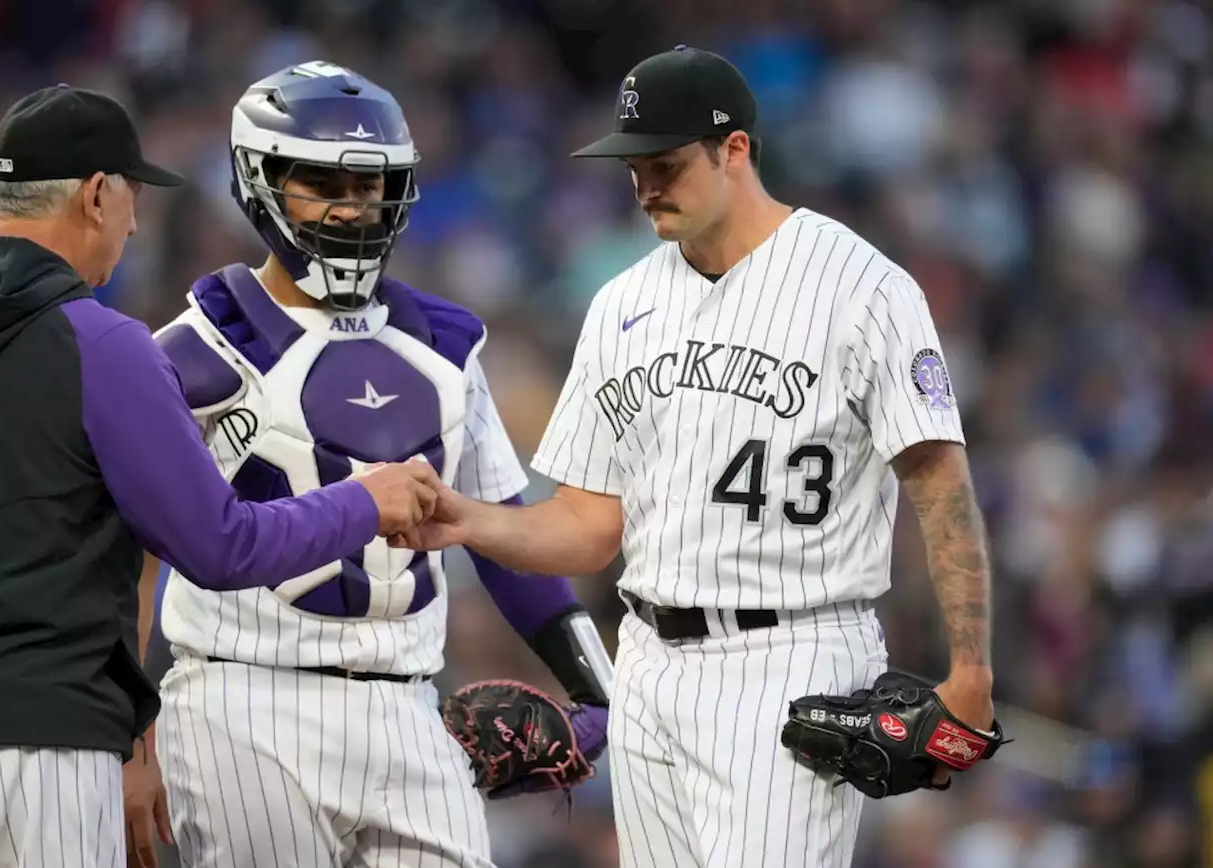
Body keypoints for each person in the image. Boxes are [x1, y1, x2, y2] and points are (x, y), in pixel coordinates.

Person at [391, 45, 997, 868]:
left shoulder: (861, 286)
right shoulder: (622, 304)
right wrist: (470, 523)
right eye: (633, 168)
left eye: (666, 165)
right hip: (646, 659)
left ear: (734, 149)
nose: (645, 187)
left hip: (792, 652)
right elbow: (588, 525)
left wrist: (971, 672)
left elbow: (937, 476)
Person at [0, 84, 439, 868]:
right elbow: (220, 547)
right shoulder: (102, 345)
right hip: (43, 743)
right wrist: (361, 502)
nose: (137, 223)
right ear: (98, 195)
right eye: (132, 196)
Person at [140, 60, 613, 868]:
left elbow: (502, 532)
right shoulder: (190, 352)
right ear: (260, 180)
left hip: (409, 704)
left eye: (374, 187)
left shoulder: (445, 345)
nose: (354, 208)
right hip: (239, 699)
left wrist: (600, 689)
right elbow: (138, 558)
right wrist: (130, 733)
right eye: (325, 182)